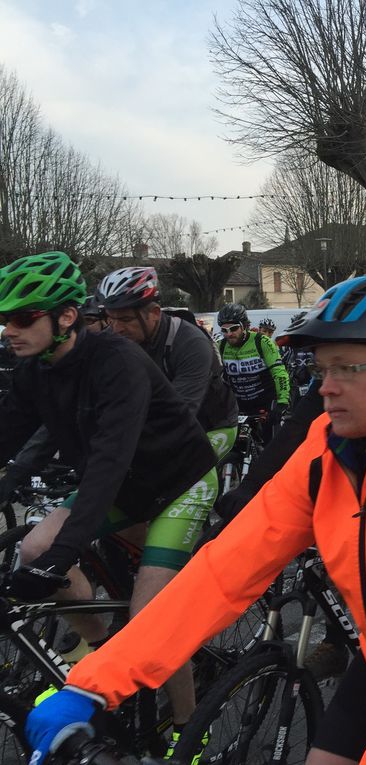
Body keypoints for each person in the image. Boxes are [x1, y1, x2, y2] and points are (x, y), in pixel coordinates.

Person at [27, 274, 366, 765]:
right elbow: (223, 573)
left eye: (346, 368)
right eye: (320, 368)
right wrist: (92, 684)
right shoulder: (327, 450)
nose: (325, 387)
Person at [0, 252, 220, 758]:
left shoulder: (117, 361)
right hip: (125, 488)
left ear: (66, 317)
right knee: (32, 549)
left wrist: (65, 554)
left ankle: (188, 729)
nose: (9, 329)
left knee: (151, 615)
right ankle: (108, 660)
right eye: (3, 318)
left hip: (178, 482)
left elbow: (108, 461)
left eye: (22, 317)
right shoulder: (34, 370)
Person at [97, 266, 238, 460]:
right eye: (110, 319)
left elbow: (177, 418)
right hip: (151, 424)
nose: (116, 328)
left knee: (186, 476)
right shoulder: (110, 338)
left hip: (211, 424)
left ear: (154, 313)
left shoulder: (190, 343)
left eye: (126, 319)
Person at [217, 302, 291, 440]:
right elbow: (212, 378)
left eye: (233, 328)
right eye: (224, 330)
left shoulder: (262, 342)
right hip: (239, 404)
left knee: (272, 443)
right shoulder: (220, 346)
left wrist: (282, 402)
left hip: (265, 401)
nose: (229, 334)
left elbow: (279, 372)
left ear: (244, 326)